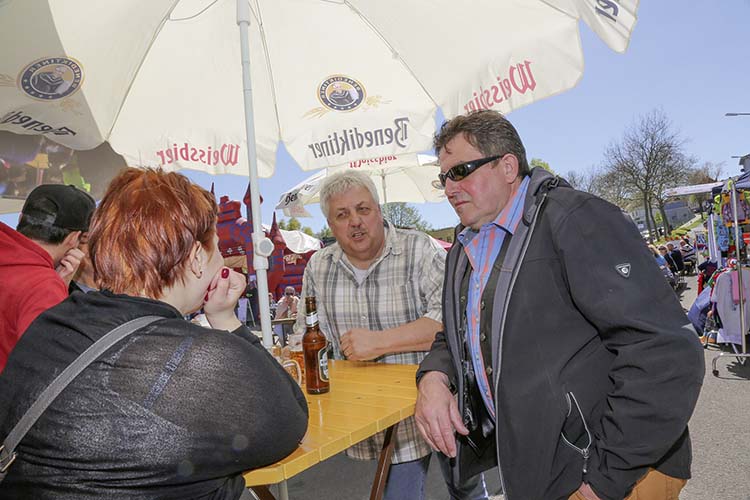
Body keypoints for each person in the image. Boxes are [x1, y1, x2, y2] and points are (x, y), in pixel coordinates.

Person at [414, 110, 704, 500]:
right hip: (539, 473)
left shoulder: (575, 219)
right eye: (444, 178)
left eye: (461, 171)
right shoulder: (464, 248)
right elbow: (455, 335)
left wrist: (605, 480)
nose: (450, 188)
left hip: (609, 475)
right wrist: (433, 378)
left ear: (507, 167)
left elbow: (665, 351)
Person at [0, 168, 308, 499]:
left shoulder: (48, 327)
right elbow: (290, 419)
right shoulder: (195, 359)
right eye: (217, 247)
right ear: (196, 258)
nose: (221, 259)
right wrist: (226, 320)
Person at [294, 170, 488, 500]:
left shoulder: (420, 249)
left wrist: (379, 341)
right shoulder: (319, 266)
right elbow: (310, 336)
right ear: (330, 225)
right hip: (381, 419)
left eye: (363, 209)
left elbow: (455, 321)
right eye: (342, 215)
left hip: (441, 398)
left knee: (466, 489)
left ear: (379, 210)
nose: (355, 221)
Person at [0, 183, 95, 373]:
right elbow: (46, 366)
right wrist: (58, 292)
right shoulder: (44, 287)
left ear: (20, 218)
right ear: (74, 238)